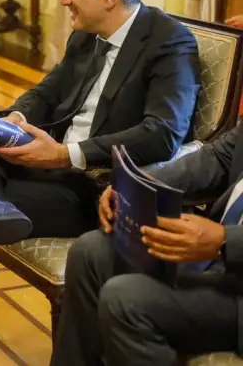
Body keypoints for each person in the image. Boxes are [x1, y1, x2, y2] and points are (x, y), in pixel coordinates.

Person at [0, 0, 202, 365]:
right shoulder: (86, 35)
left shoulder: (168, 42)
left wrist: (66, 155)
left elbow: (163, 134)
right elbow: (46, 92)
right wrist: (17, 116)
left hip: (98, 188)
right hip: (50, 160)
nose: (64, 0)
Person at [51, 122, 243, 366]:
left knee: (125, 300)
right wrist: (140, 187)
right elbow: (218, 157)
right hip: (218, 258)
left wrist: (225, 241)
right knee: (90, 252)